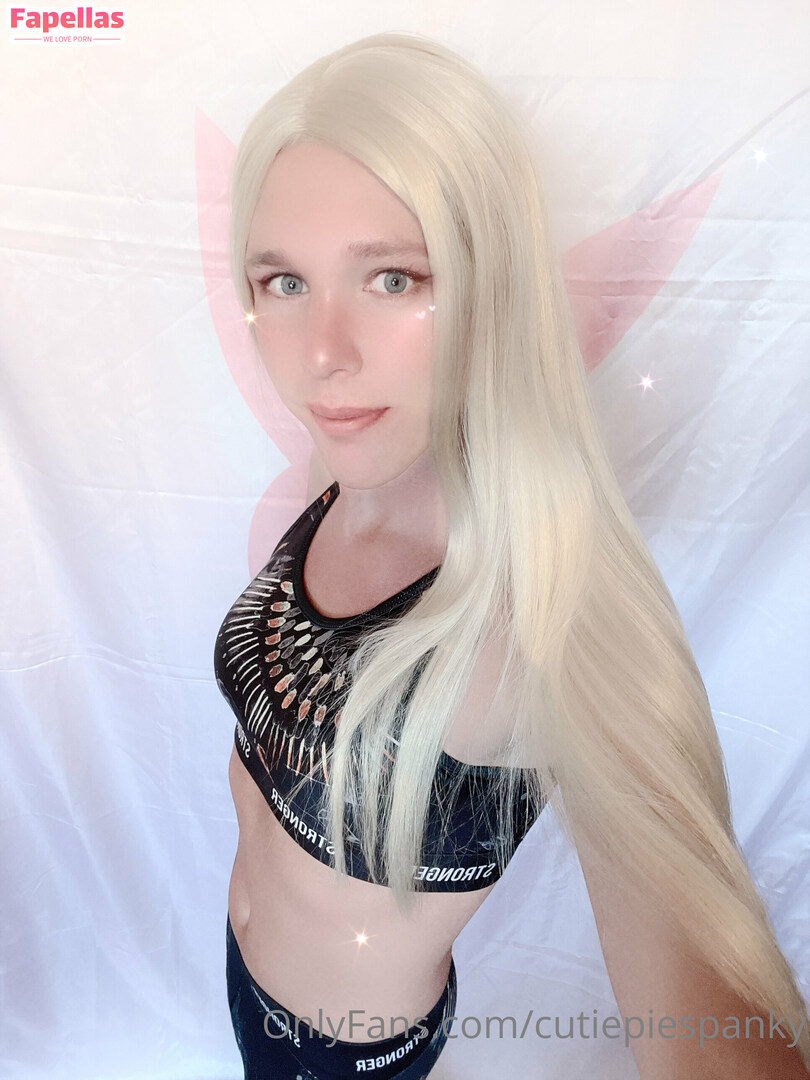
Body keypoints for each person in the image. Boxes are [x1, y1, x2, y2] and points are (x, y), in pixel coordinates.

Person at [214, 31, 810, 1080]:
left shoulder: (558, 609)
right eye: (285, 282)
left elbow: (719, 1035)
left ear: (495, 281)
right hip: (237, 976)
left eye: (392, 277)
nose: (323, 354)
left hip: (343, 1054)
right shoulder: (346, 464)